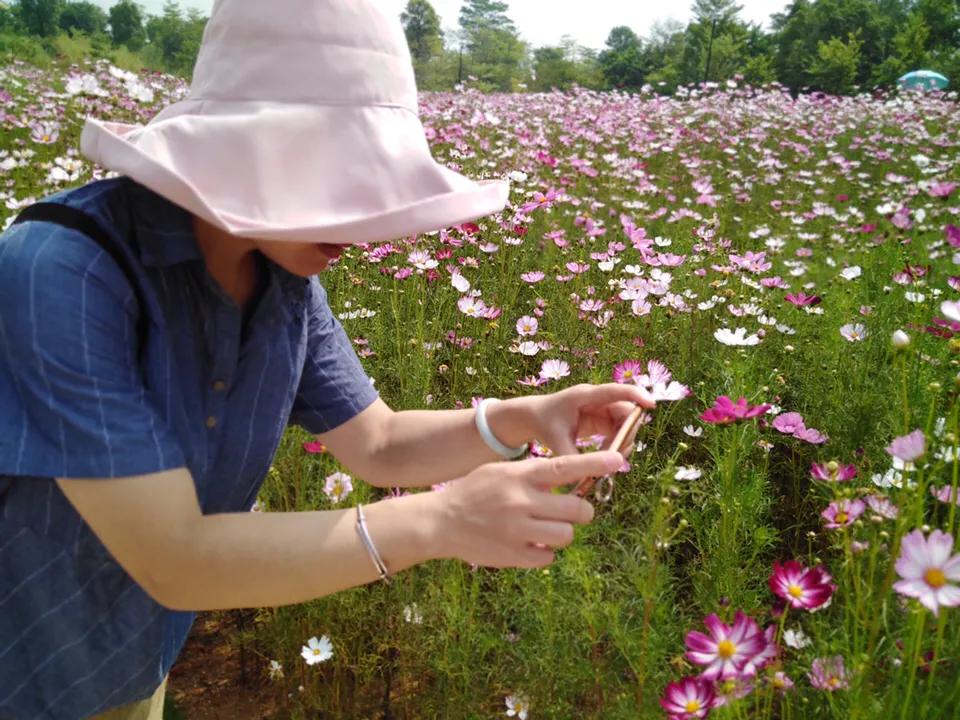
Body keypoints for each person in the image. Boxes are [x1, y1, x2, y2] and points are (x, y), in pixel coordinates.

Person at [0, 1, 653, 717]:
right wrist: (442, 522)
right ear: (245, 149)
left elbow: (379, 442)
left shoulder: (283, 282)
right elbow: (174, 559)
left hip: (132, 664)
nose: (366, 223)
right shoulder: (63, 271)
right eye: (338, 178)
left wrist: (526, 416)